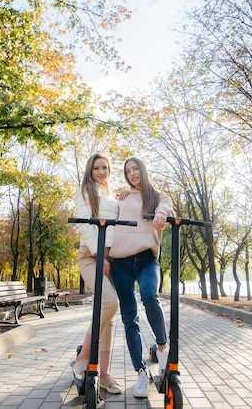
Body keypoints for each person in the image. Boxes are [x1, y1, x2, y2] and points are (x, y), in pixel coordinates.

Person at [109, 157, 173, 398]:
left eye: (135, 169)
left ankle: (163, 348)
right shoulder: (123, 197)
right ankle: (140, 373)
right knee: (130, 319)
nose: (132, 173)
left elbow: (166, 205)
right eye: (128, 171)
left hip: (147, 259)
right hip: (121, 262)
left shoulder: (157, 196)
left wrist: (160, 214)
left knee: (149, 295)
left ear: (143, 170)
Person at [70, 153, 122, 394]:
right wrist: (101, 256)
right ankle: (84, 355)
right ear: (90, 171)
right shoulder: (84, 193)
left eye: (105, 168)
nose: (102, 172)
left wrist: (123, 199)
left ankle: (105, 374)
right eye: (97, 168)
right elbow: (87, 228)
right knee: (110, 302)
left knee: (108, 318)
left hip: (111, 259)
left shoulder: (108, 195)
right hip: (92, 257)